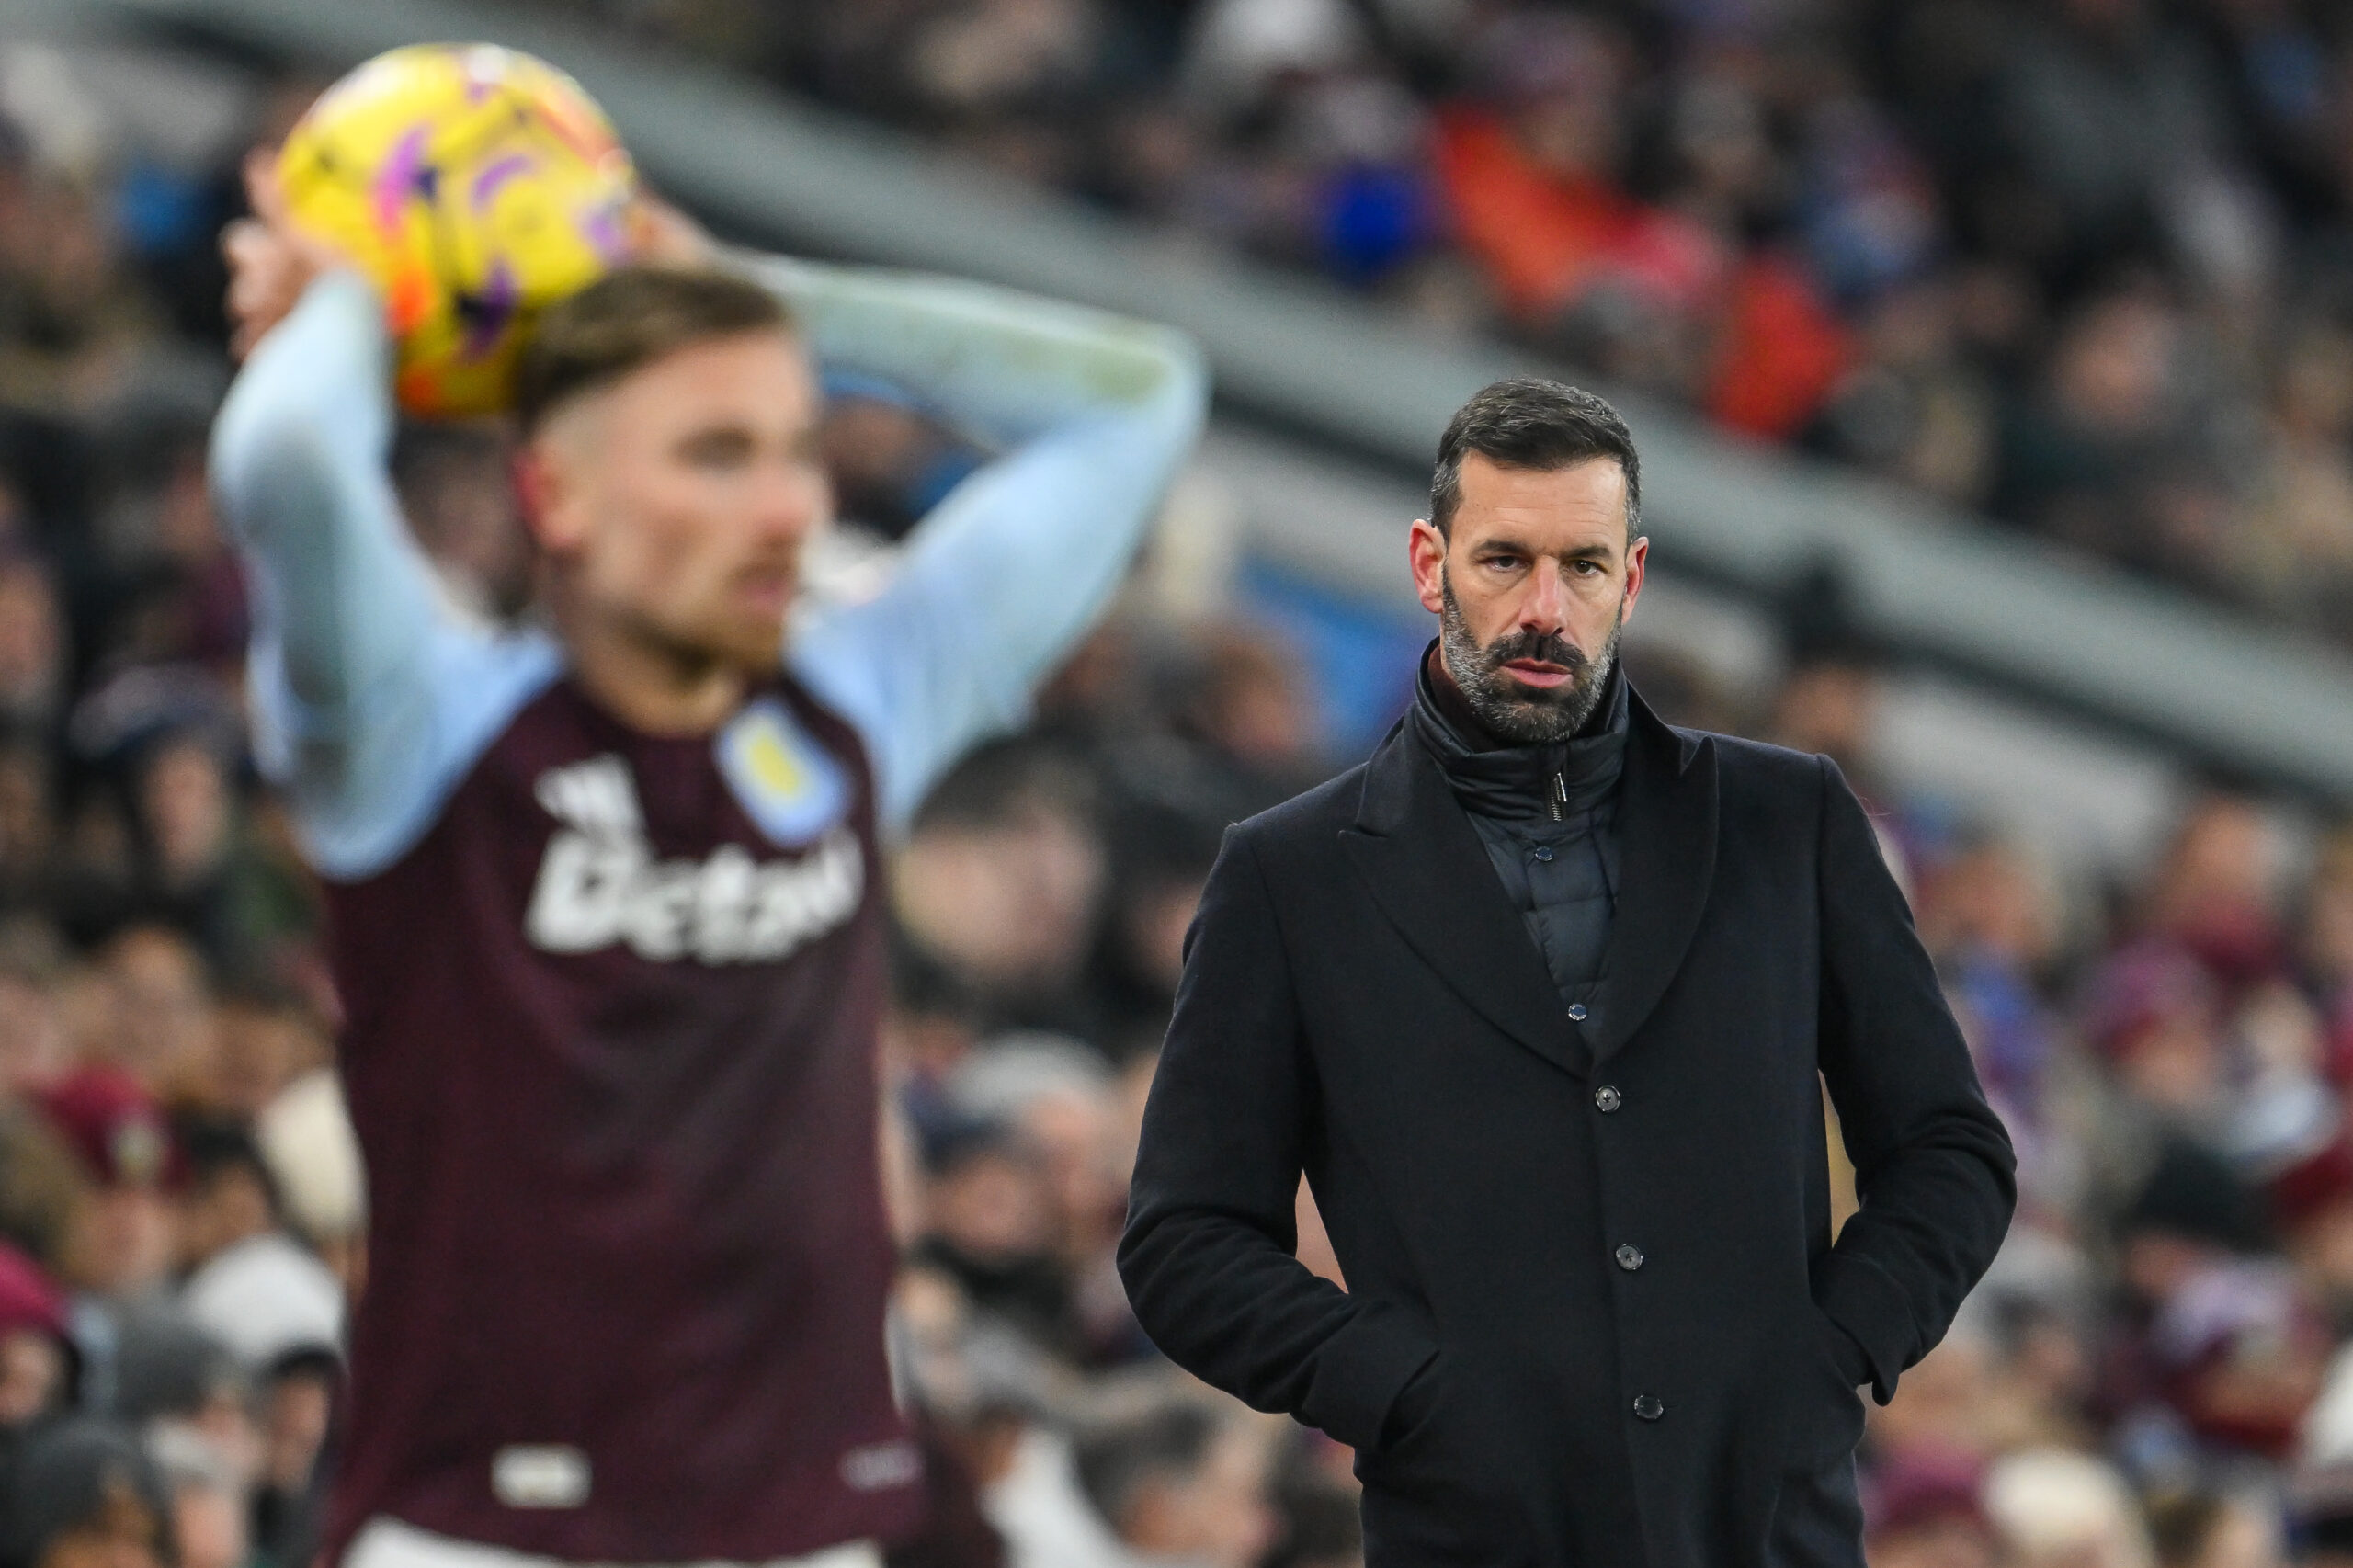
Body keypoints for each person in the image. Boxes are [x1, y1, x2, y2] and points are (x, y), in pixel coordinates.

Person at [210, 154, 1206, 1566]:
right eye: (714, 456)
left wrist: (762, 297)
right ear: (554, 496)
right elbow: (291, 457)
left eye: (796, 450)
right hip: (481, 1535)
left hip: (796, 1533)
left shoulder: (859, 704)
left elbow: (1143, 396)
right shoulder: (418, 738)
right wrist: (370, 289)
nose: (786, 507)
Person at [1119, 378, 2014, 1568]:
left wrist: (1833, 1344)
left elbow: (1952, 1147)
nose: (1545, 608)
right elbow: (1184, 1239)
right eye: (1505, 561)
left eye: (1583, 567)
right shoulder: (1289, 876)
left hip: (1767, 1529)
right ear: (1430, 565)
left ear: (1630, 580)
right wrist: (1403, 1387)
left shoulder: (1787, 820)